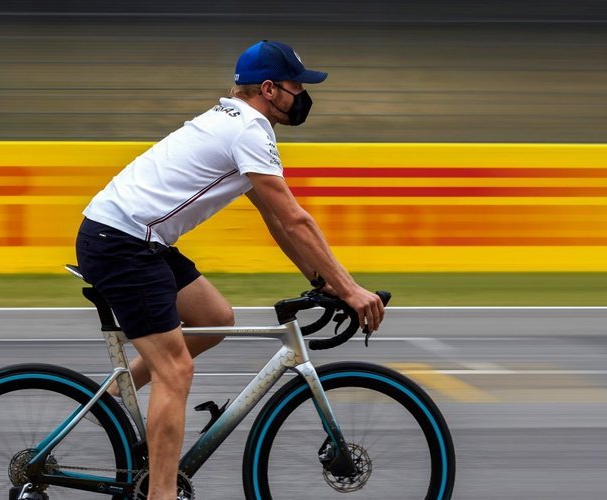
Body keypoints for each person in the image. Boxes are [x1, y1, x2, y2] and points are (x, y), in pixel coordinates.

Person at [75, 40, 385, 500]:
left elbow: (277, 219)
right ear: (268, 89)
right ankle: (160, 495)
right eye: (295, 86)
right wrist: (350, 288)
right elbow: (298, 219)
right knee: (175, 370)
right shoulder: (250, 131)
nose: (301, 96)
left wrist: (321, 282)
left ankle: (115, 401)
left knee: (215, 318)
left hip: (133, 237)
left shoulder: (237, 122)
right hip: (123, 243)